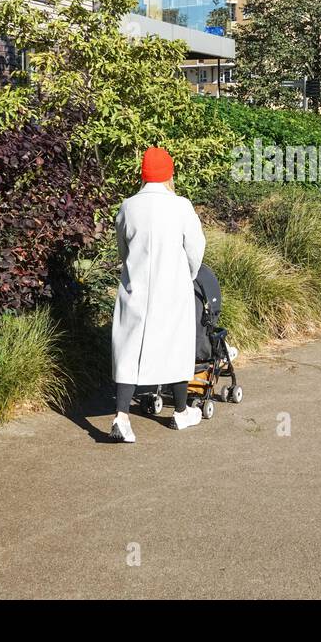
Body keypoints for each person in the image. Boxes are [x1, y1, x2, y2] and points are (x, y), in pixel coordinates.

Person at [110, 146, 207, 443]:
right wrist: (189, 275)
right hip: (172, 289)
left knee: (129, 349)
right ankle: (180, 412)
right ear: (169, 174)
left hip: (135, 288)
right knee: (176, 347)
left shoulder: (128, 206)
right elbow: (196, 249)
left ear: (143, 174)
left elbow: (123, 249)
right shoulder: (181, 206)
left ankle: (122, 417)